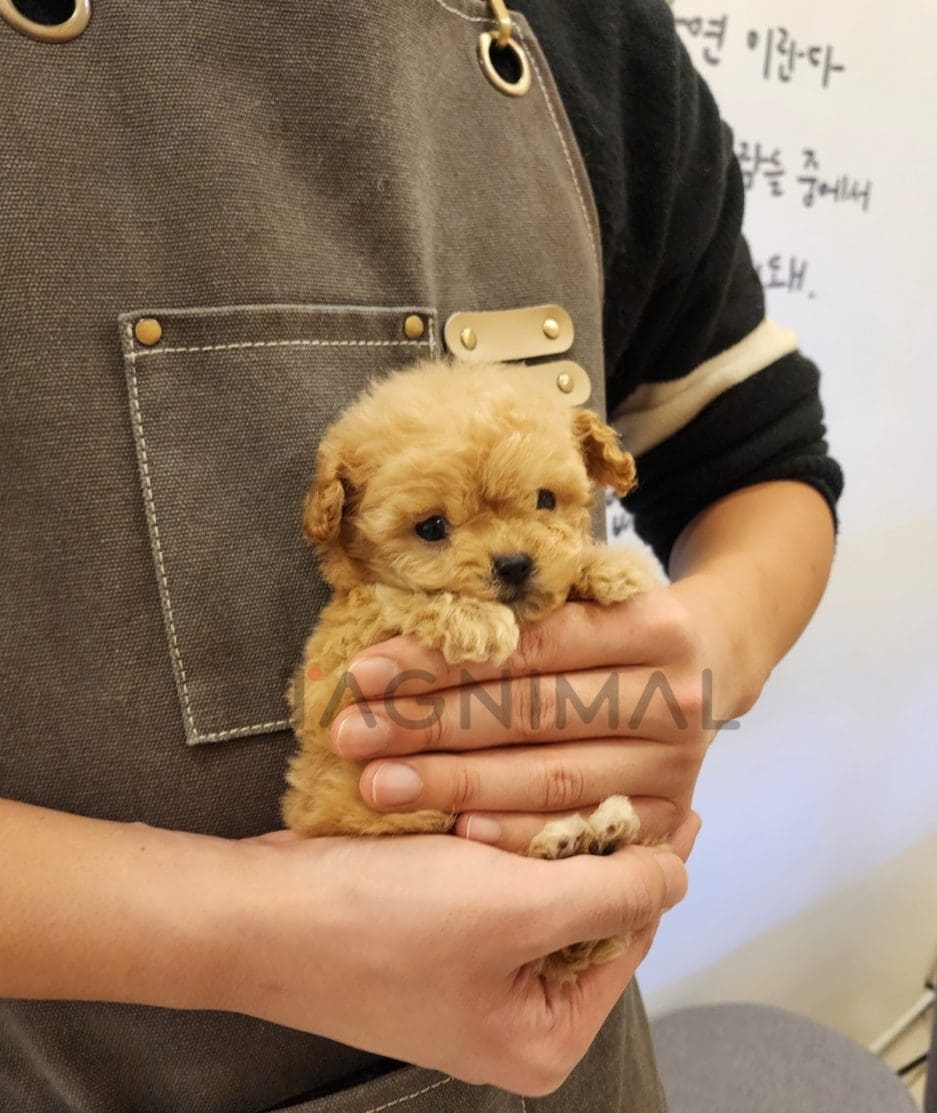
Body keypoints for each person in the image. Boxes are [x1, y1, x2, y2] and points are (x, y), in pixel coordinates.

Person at [0, 0, 842, 1110]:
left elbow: (760, 457)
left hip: (577, 1065)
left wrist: (703, 653)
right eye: (436, 528)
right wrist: (249, 928)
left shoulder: (590, 30)